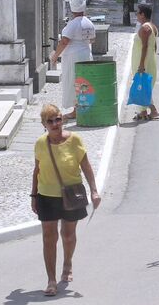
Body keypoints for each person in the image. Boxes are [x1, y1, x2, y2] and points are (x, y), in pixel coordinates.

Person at [31, 104, 101, 296]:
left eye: (58, 119)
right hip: (46, 196)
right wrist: (34, 195)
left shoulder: (74, 140)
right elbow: (37, 170)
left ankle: (68, 263)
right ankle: (51, 280)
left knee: (68, 235)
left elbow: (86, 166)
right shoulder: (40, 144)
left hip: (72, 194)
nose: (55, 124)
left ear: (63, 120)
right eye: (50, 121)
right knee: (48, 237)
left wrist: (94, 191)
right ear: (44, 124)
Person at [49, 0, 95, 120]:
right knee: (84, 81)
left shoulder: (73, 24)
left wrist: (55, 56)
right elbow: (93, 39)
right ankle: (83, 108)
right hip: (86, 53)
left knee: (73, 81)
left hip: (73, 57)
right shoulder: (88, 23)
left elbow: (64, 42)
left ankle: (76, 110)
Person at [131, 4, 159, 120]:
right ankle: (143, 112)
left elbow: (145, 46)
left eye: (138, 13)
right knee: (143, 86)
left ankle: (153, 110)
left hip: (144, 61)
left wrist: (142, 64)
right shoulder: (152, 26)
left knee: (142, 86)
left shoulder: (145, 28)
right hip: (149, 59)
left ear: (142, 14)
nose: (136, 15)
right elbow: (155, 46)